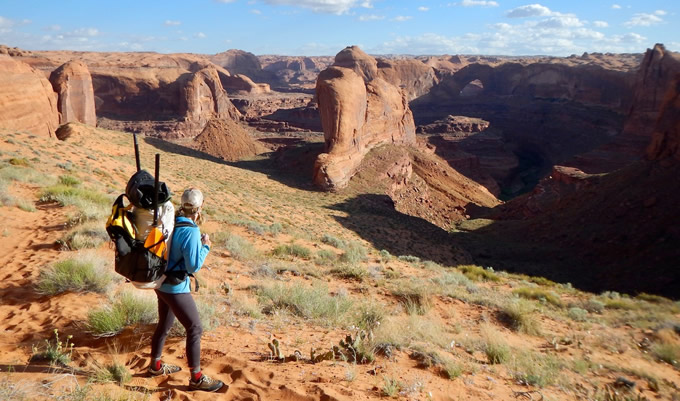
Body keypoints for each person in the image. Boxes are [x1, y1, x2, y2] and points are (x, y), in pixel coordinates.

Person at [147, 188, 224, 392]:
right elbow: (193, 267)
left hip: (161, 283)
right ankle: (196, 378)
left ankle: (155, 366)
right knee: (195, 328)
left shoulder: (173, 222)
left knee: (165, 323)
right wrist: (205, 246)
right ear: (199, 209)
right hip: (175, 287)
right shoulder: (191, 230)